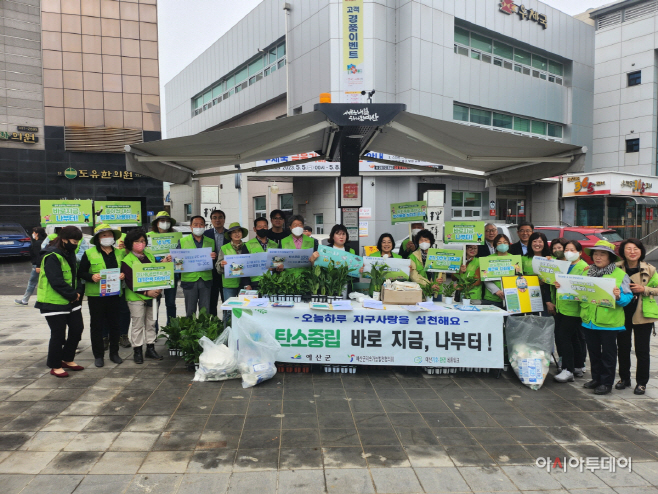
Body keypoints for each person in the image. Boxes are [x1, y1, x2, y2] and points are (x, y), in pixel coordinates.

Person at [579, 240, 632, 395]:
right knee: (593, 352)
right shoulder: (586, 272)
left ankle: (606, 383)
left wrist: (618, 297)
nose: (598, 257)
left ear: (610, 257)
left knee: (608, 355)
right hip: (589, 321)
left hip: (609, 322)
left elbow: (627, 298)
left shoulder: (620, 275)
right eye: (596, 254)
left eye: (602, 254)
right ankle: (596, 378)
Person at [35, 226, 85, 378]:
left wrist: (78, 292)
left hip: (71, 300)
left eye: (77, 241)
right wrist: (72, 295)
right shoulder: (51, 256)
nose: (76, 244)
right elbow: (56, 280)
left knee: (77, 329)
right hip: (53, 302)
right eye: (74, 241)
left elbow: (75, 276)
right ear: (64, 239)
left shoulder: (69, 253)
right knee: (58, 334)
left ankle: (67, 359)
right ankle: (55, 365)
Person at [78, 224, 125, 368]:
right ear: (98, 238)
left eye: (109, 235)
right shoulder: (89, 253)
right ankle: (98, 355)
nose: (107, 237)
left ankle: (114, 353)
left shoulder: (119, 253)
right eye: (104, 235)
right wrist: (91, 276)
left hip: (115, 294)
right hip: (96, 295)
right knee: (97, 326)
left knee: (115, 325)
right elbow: (80, 272)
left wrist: (123, 275)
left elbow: (126, 270)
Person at [615, 238, 658, 395]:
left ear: (641, 252)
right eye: (628, 249)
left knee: (642, 350)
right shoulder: (615, 268)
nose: (632, 252)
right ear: (623, 252)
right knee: (623, 348)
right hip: (621, 313)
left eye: (635, 249)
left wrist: (644, 289)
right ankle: (624, 378)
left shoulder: (650, 269)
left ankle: (641, 383)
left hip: (642, 313)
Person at [121, 229, 166, 364]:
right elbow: (130, 281)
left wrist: (158, 288)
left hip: (153, 296)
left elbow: (157, 273)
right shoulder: (127, 260)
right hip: (136, 298)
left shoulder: (150, 255)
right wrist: (146, 292)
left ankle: (150, 348)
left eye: (143, 241)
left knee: (151, 323)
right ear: (130, 243)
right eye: (137, 241)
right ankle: (138, 350)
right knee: (138, 324)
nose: (141, 244)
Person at [552, 240, 589, 383]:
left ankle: (568, 369)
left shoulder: (583, 267)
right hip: (562, 307)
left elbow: (583, 288)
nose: (568, 252)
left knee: (563, 337)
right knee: (573, 338)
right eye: (566, 249)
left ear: (580, 253)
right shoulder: (565, 265)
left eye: (573, 250)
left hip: (574, 309)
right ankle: (578, 366)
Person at [178, 215, 216, 317]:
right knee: (190, 310)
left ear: (205, 226)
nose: (198, 227)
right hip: (189, 280)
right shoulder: (182, 241)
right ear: (191, 226)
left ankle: (204, 331)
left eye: (201, 224)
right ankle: (191, 332)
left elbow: (215, 260)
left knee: (205, 310)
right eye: (195, 224)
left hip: (205, 280)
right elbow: (177, 260)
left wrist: (214, 256)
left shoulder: (211, 241)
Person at [148, 211, 179, 326]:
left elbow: (181, 254)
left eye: (167, 221)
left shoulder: (176, 237)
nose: (165, 223)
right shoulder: (149, 237)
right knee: (155, 302)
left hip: (172, 274)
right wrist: (159, 261)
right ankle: (153, 330)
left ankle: (172, 330)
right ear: (156, 223)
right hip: (156, 274)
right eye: (162, 221)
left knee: (171, 303)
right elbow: (146, 255)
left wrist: (174, 258)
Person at [483, 233, 521, 308]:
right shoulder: (488, 259)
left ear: (509, 244)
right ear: (495, 245)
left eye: (505, 242)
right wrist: (497, 291)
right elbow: (485, 278)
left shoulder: (515, 259)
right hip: (492, 298)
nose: (502, 245)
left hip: (511, 296)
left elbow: (519, 276)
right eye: (499, 243)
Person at [217, 222, 252, 301]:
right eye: (234, 232)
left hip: (244, 284)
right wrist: (221, 265)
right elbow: (218, 267)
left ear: (242, 234)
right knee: (229, 309)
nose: (237, 234)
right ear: (230, 235)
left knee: (244, 309)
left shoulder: (247, 246)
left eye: (239, 231)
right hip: (229, 284)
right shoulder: (224, 248)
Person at [15, 227, 47, 306]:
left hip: (37, 266)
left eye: (34, 232)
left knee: (32, 283)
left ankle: (25, 300)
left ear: (37, 234)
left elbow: (38, 256)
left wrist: (38, 266)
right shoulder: (44, 242)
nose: (32, 234)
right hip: (44, 265)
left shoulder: (37, 244)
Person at [245, 218, 278, 291]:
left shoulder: (274, 245)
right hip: (254, 283)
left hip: (272, 282)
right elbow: (244, 266)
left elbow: (277, 262)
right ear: (254, 229)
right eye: (259, 227)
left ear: (268, 228)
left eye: (265, 226)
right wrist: (247, 284)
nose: (263, 228)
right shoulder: (248, 245)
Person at [204, 209, 227, 316]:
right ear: (211, 220)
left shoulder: (229, 234)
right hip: (210, 272)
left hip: (226, 272)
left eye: (220, 217)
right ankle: (213, 325)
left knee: (226, 300)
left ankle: (227, 324)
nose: (217, 220)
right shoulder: (206, 234)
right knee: (211, 301)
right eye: (214, 218)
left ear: (224, 219)